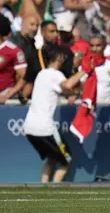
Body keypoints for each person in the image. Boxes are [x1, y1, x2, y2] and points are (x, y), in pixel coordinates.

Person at [24, 44, 84, 183]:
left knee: (52, 158)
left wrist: (76, 90)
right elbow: (67, 86)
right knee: (66, 160)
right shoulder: (55, 75)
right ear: (61, 57)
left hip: (29, 128)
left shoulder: (42, 73)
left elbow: (67, 90)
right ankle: (55, 189)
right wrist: (83, 71)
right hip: (45, 129)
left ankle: (43, 186)